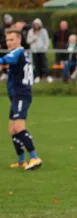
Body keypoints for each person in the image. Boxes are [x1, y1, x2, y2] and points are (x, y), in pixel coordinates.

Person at [0, 29, 42, 171]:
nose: (9, 42)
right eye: (7, 40)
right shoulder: (23, 54)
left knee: (19, 127)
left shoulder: (18, 52)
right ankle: (21, 160)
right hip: (17, 95)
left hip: (21, 94)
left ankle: (35, 158)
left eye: (12, 39)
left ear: (19, 40)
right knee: (12, 129)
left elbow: (6, 60)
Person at [27, 18, 53, 83]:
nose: (36, 26)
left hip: (42, 50)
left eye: (37, 24)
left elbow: (46, 40)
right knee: (36, 64)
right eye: (35, 24)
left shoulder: (44, 31)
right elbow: (28, 41)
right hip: (34, 51)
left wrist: (44, 48)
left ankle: (48, 76)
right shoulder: (30, 31)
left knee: (44, 63)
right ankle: (37, 76)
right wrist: (33, 39)